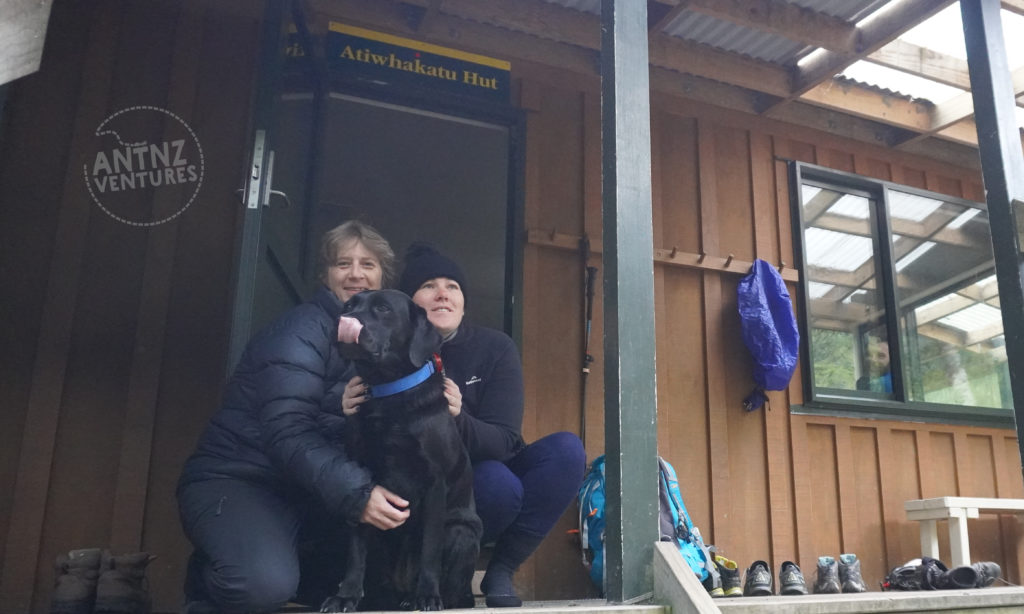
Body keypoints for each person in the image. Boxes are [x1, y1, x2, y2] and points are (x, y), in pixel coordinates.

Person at [175, 220, 409, 614]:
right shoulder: (302, 329)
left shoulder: (379, 347)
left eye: (368, 264)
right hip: (240, 479)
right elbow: (287, 431)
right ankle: (209, 585)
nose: (356, 274)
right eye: (342, 264)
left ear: (383, 276)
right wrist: (357, 493)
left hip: (308, 491)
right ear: (325, 275)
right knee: (262, 586)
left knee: (376, 590)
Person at [343, 243, 586, 607]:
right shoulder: (379, 354)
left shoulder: (494, 347)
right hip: (429, 490)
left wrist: (458, 417)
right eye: (428, 285)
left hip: (482, 470)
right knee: (493, 484)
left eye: (452, 286)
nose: (442, 293)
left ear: (464, 302)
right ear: (406, 310)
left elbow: (505, 441)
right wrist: (341, 406)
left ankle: (501, 569)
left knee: (562, 453)